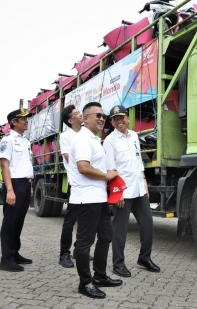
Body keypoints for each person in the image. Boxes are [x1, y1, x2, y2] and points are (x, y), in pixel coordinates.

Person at [69, 101, 121, 299]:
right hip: (86, 198)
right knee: (85, 242)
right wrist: (107, 175)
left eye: (103, 116)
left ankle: (100, 276)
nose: (102, 118)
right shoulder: (83, 139)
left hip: (98, 197)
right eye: (97, 115)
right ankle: (85, 282)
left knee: (106, 236)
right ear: (86, 118)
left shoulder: (93, 139)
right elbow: (83, 167)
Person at [103, 105, 160, 278]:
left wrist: (144, 182)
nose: (119, 121)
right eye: (115, 119)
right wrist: (117, 192)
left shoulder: (135, 135)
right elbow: (110, 169)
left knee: (148, 223)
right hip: (123, 191)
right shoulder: (110, 140)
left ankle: (144, 257)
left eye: (121, 117)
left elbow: (138, 161)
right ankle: (118, 264)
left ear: (127, 118)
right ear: (112, 122)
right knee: (120, 228)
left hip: (138, 188)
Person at [0, 108, 34, 272]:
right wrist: (10, 190)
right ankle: (6, 259)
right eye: (23, 119)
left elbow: (26, 165)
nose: (26, 121)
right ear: (14, 122)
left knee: (19, 222)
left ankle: (14, 253)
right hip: (14, 184)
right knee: (10, 222)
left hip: (25, 184)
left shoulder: (25, 141)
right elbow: (5, 165)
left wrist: (30, 185)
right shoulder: (8, 140)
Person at [57, 104, 83, 268]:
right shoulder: (66, 136)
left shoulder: (87, 134)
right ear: (70, 120)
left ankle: (80, 251)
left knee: (85, 221)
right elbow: (68, 158)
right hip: (76, 183)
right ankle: (64, 253)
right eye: (77, 113)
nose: (80, 114)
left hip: (90, 184)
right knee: (70, 221)